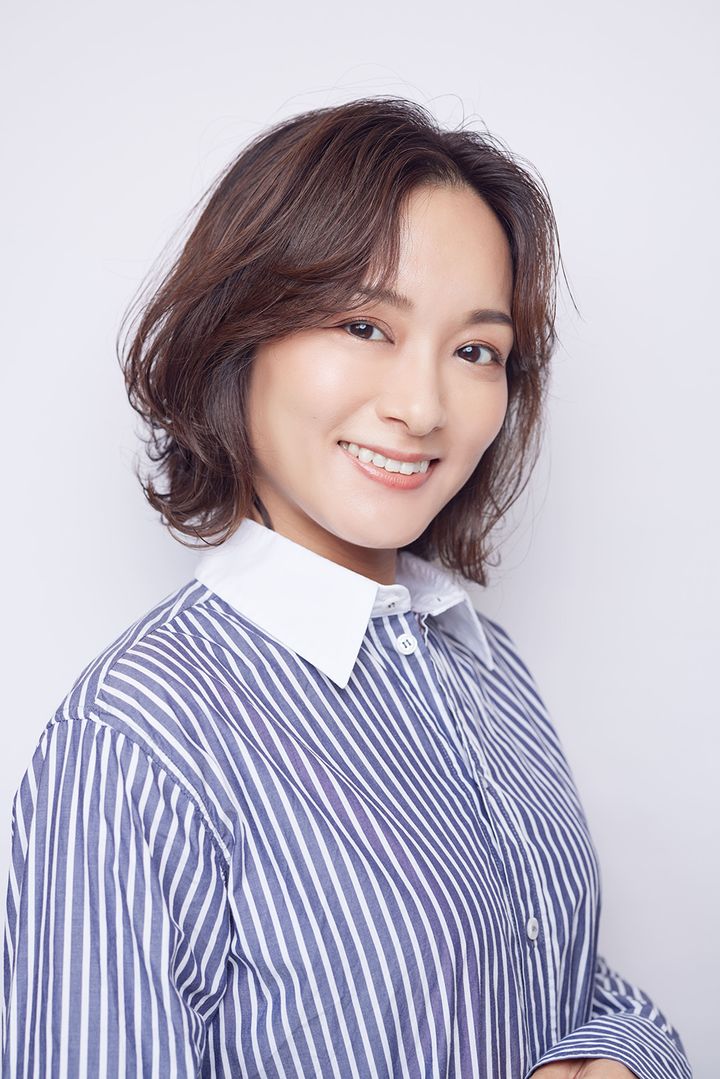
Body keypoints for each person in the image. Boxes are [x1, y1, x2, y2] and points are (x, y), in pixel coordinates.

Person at [0, 97, 691, 1078]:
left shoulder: (486, 666)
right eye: (364, 324)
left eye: (476, 350)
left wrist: (623, 1057)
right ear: (240, 333)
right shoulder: (134, 742)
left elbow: (570, 984)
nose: (422, 406)